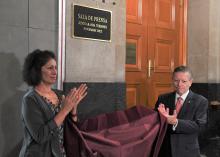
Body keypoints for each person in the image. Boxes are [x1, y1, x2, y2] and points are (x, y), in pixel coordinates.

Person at [19, 49, 87, 157]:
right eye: (50, 68)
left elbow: (71, 130)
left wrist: (73, 110)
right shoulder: (30, 99)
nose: (55, 72)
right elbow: (40, 136)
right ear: (37, 71)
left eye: (55, 68)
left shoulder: (60, 95)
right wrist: (64, 110)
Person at [155, 65, 208, 157]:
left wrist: (176, 122)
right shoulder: (163, 98)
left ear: (190, 82)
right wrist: (160, 118)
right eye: (176, 80)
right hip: (165, 150)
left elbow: (199, 126)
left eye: (184, 81)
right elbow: (155, 122)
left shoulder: (200, 101)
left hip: (187, 151)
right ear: (172, 81)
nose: (179, 84)